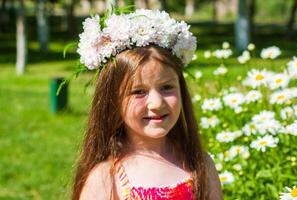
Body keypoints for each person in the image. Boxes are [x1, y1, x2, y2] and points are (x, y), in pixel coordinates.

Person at [71, 9, 224, 200]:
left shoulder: (200, 166)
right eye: (138, 92)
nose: (156, 103)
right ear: (112, 101)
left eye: (167, 87)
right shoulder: (105, 179)